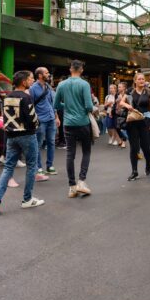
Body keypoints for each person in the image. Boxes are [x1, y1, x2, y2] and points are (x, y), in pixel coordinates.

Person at [0, 71, 43, 214]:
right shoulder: (26, 97)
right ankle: (27, 199)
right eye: (30, 79)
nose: (32, 81)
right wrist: (37, 125)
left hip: (11, 136)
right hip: (26, 135)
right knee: (32, 166)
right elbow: (32, 119)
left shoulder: (7, 96)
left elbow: (5, 117)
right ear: (24, 82)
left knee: (8, 168)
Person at [54, 61, 95, 198]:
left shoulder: (61, 84)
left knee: (70, 154)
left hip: (68, 123)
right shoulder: (84, 84)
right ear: (81, 70)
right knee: (86, 151)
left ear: (70, 69)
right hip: (83, 122)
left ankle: (72, 187)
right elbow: (89, 106)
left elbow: (56, 105)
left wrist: (68, 105)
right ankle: (81, 181)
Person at [121, 73, 150, 181]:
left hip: (146, 121)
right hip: (132, 122)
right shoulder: (130, 91)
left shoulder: (149, 92)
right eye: (139, 79)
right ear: (135, 81)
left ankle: (148, 164)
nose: (141, 80)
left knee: (146, 147)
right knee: (134, 148)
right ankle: (134, 171)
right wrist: (127, 105)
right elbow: (121, 102)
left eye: (143, 79)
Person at [30, 67, 59, 176]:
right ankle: (39, 167)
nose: (49, 74)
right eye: (46, 73)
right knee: (38, 144)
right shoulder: (33, 88)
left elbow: (52, 103)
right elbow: (30, 105)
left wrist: (56, 117)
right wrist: (35, 119)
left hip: (51, 118)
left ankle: (49, 165)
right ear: (40, 75)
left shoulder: (48, 86)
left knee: (51, 142)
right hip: (40, 120)